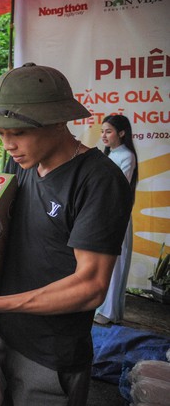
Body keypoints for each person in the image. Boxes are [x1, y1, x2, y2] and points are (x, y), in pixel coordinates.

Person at [0, 63, 132, 406]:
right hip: (3, 332)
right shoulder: (21, 163)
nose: (9, 145)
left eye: (17, 132)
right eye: (1, 134)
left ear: (59, 120)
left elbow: (90, 286)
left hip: (50, 355)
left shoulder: (99, 181)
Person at [94, 115, 138, 325]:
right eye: (102, 131)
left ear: (122, 133)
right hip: (100, 215)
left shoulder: (127, 156)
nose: (103, 135)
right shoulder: (107, 155)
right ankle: (97, 306)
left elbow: (116, 190)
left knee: (114, 265)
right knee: (99, 264)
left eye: (108, 131)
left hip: (115, 217)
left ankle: (109, 312)